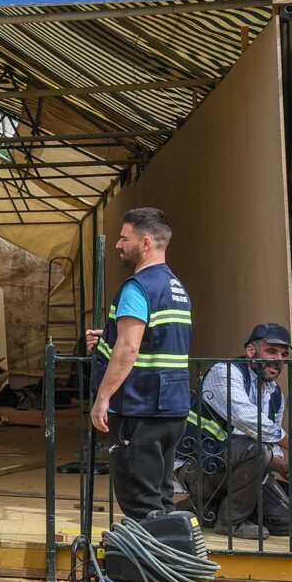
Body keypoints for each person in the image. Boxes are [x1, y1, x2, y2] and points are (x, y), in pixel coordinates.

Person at [86, 208, 193, 521]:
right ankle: (169, 562)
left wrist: (102, 397)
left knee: (140, 504)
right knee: (160, 499)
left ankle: (150, 567)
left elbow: (129, 347)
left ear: (145, 243)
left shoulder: (138, 287)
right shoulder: (176, 288)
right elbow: (154, 339)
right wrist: (107, 336)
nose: (118, 244)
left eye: (124, 238)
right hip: (170, 408)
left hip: (139, 408)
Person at [177, 323, 292, 539]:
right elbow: (244, 418)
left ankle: (203, 509)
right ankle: (230, 522)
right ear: (251, 351)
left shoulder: (275, 394)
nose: (279, 360)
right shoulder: (224, 372)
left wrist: (282, 465)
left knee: (289, 522)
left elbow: (270, 443)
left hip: (237, 468)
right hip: (198, 466)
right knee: (256, 449)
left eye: (283, 354)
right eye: (271, 351)